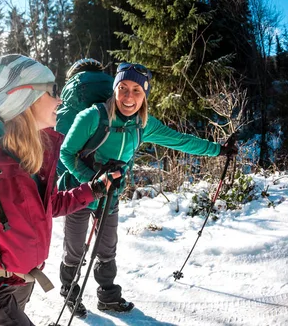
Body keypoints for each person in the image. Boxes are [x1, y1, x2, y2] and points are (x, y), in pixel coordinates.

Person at [0, 54, 121, 326]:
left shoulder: (34, 155)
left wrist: (94, 189)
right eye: (52, 91)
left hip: (21, 282)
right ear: (24, 96)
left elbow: (49, 206)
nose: (60, 100)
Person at [57, 62, 238, 317]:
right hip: (79, 193)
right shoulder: (92, 117)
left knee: (107, 249)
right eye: (123, 88)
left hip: (111, 196)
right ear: (114, 89)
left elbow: (181, 140)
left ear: (145, 95)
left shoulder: (144, 124)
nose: (129, 97)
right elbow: (66, 152)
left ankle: (108, 296)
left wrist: (218, 149)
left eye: (136, 91)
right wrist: (92, 181)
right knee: (75, 249)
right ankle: (69, 290)